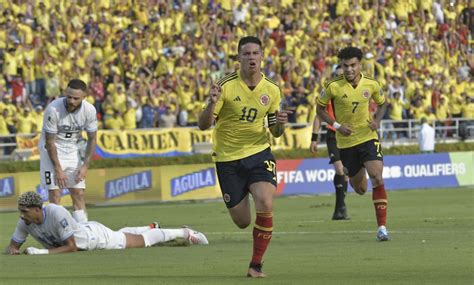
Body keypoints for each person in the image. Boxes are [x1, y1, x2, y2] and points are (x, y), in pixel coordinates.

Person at [198, 36, 291, 278]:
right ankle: (244, 194)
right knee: (242, 221)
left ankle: (256, 265)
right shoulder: (225, 86)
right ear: (238, 58)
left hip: (258, 152)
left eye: (255, 53)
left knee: (265, 201)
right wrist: (211, 103)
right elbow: (203, 125)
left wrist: (281, 124)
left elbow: (276, 132)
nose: (251, 57)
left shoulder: (272, 89)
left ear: (262, 57)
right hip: (227, 159)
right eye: (246, 53)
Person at [316, 46, 390, 241]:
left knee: (377, 176)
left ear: (360, 65)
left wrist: (378, 121)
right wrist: (337, 126)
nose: (349, 70)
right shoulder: (333, 86)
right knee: (360, 189)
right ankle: (359, 173)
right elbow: (319, 110)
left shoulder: (371, 84)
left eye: (353, 65)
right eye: (345, 66)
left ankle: (382, 227)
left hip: (367, 137)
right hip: (346, 143)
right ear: (341, 66)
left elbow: (383, 104)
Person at [5, 192, 208, 255]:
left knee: (143, 241)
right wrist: (13, 250)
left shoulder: (56, 212)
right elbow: (12, 246)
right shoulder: (25, 222)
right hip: (89, 230)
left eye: (24, 211)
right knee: (123, 233)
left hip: (96, 239)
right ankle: (151, 226)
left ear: (37, 209)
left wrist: (41, 253)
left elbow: (72, 247)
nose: (21, 215)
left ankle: (184, 232)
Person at [38, 79, 97, 223]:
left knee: (78, 192)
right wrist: (58, 169)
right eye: (69, 96)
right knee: (55, 194)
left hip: (71, 148)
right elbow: (50, 142)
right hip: (50, 149)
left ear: (84, 97)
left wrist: (85, 166)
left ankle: (84, 230)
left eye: (76, 98)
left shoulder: (89, 110)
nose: (71, 101)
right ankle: (56, 234)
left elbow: (92, 139)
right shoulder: (53, 109)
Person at [310, 65, 349, 220]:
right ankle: (340, 208)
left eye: (343, 75)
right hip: (333, 134)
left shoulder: (352, 92)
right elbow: (318, 116)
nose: (341, 77)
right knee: (339, 169)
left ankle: (340, 206)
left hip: (349, 136)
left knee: (345, 173)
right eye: (338, 75)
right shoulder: (328, 92)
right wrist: (314, 138)